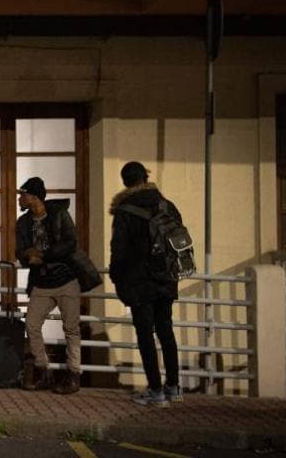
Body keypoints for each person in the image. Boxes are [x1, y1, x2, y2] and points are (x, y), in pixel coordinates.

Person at [110, 161, 184, 407]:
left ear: (125, 182)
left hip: (139, 281)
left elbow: (118, 250)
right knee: (166, 331)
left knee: (145, 335)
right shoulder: (167, 205)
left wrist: (117, 277)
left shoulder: (124, 211)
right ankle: (173, 387)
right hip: (166, 277)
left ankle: (155, 390)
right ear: (146, 177)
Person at [16, 176, 82, 394]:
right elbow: (20, 251)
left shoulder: (59, 214)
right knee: (31, 324)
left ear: (34, 197)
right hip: (41, 282)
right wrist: (28, 256)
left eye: (23, 194)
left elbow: (71, 242)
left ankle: (73, 374)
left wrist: (43, 255)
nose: (20, 198)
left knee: (71, 328)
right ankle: (42, 370)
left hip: (66, 279)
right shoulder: (23, 223)